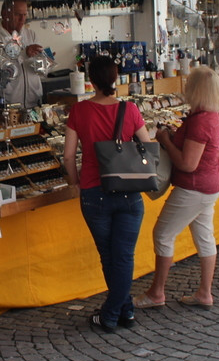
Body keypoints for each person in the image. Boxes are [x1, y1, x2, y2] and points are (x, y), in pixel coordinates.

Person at [63, 55, 152, 333]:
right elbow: (147, 146)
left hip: (93, 190)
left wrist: (76, 182)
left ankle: (111, 314)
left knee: (109, 256)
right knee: (123, 257)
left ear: (91, 80)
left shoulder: (79, 111)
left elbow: (68, 156)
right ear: (115, 79)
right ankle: (125, 310)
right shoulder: (130, 110)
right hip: (128, 191)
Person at [135, 66, 219, 310]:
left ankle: (156, 293)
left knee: (163, 235)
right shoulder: (210, 114)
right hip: (212, 183)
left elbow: (187, 164)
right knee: (205, 236)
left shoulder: (201, 121)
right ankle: (204, 293)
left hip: (195, 187)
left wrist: (165, 140)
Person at [0, 0, 44, 108]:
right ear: (5, 14)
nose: (22, 19)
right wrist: (24, 54)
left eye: (24, 15)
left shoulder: (30, 34)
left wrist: (45, 61)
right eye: (18, 14)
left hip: (34, 103)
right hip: (9, 105)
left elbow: (40, 71)